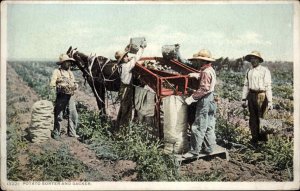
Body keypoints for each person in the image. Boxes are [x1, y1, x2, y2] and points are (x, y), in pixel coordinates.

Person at [180, 49, 217, 156]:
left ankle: (194, 150)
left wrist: (191, 98)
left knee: (198, 125)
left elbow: (204, 89)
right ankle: (209, 148)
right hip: (211, 99)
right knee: (209, 125)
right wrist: (197, 75)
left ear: (202, 61)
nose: (197, 62)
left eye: (199, 60)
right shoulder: (210, 70)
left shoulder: (205, 72)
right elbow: (208, 81)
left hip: (205, 99)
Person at [241, 51, 272, 145]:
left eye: (255, 58)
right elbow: (246, 85)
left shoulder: (264, 71)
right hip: (251, 95)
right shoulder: (249, 71)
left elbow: (268, 86)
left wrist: (270, 101)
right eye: (251, 59)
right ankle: (254, 139)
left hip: (261, 95)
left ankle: (263, 140)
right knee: (252, 118)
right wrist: (243, 99)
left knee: (262, 117)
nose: (253, 60)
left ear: (259, 60)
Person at [114, 40, 147, 130]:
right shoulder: (126, 66)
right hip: (126, 90)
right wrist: (142, 48)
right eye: (126, 56)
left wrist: (127, 50)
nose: (128, 57)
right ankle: (123, 131)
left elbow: (132, 59)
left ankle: (118, 127)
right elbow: (136, 58)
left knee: (122, 109)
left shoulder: (121, 66)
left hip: (123, 89)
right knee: (127, 110)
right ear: (123, 59)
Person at [50, 54, 79, 139]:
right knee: (59, 114)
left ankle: (72, 133)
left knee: (73, 114)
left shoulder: (70, 73)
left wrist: (75, 85)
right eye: (67, 62)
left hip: (70, 95)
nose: (69, 64)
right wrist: (59, 85)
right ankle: (56, 133)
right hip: (61, 95)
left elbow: (73, 82)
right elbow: (52, 83)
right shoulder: (57, 71)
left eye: (69, 62)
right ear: (62, 63)